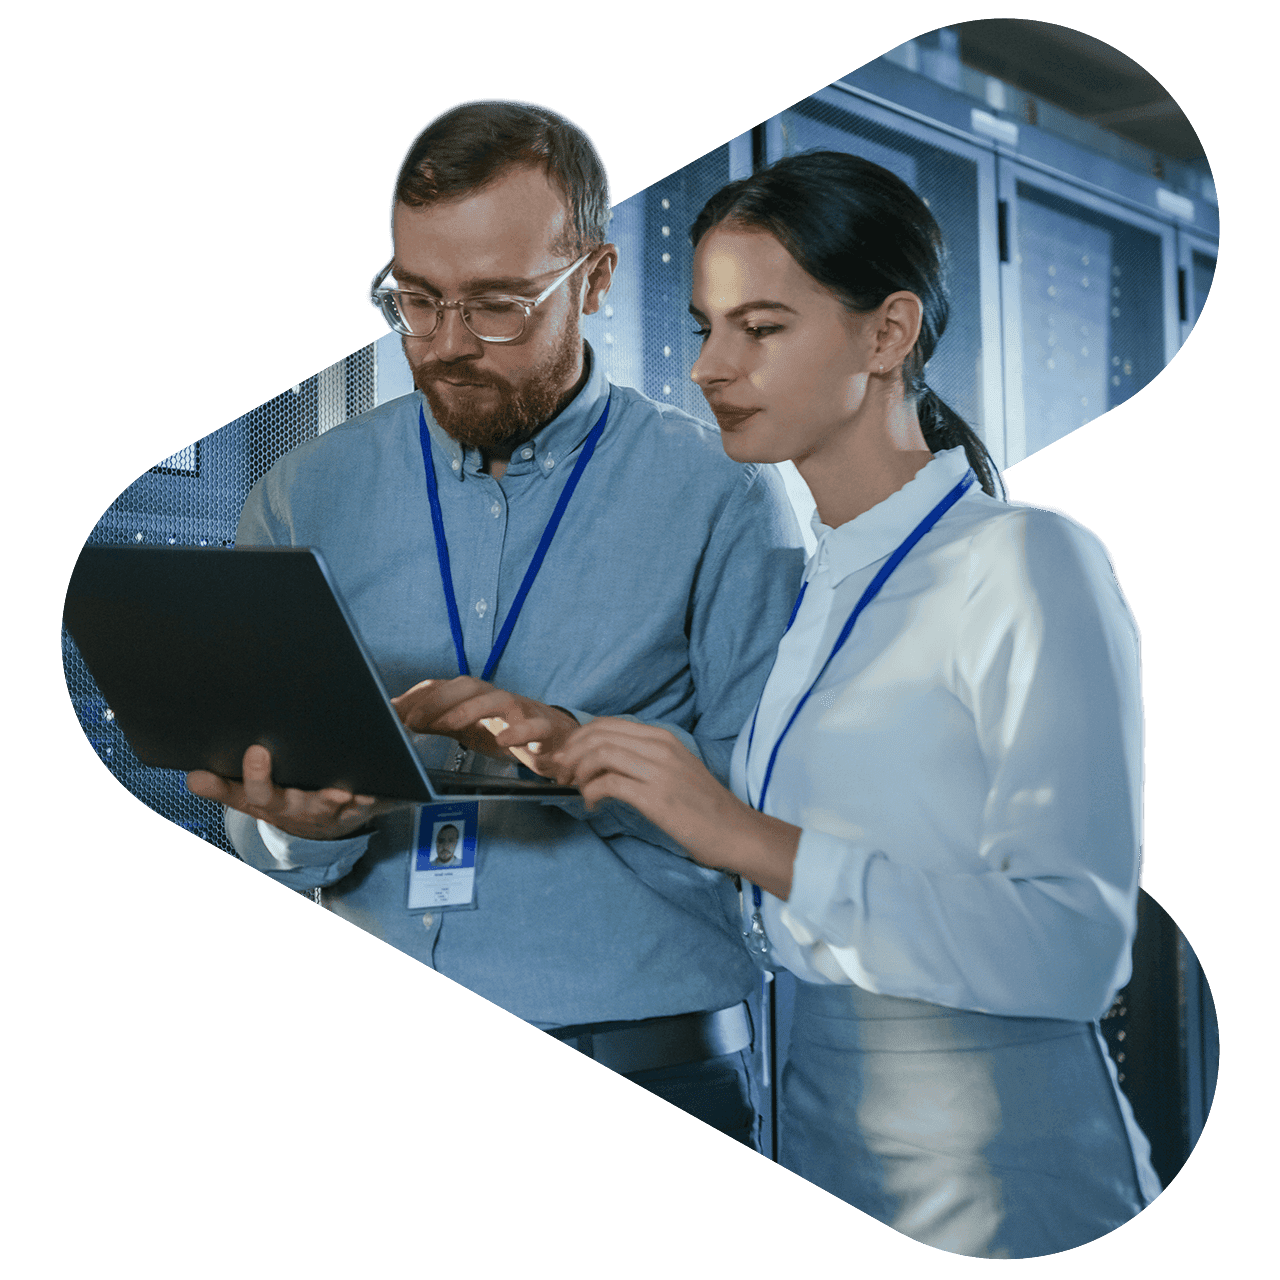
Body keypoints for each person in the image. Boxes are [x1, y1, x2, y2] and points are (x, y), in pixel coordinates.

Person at [543, 151, 1162, 1257]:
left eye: (761, 328)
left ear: (886, 336)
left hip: (991, 1162)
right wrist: (586, 754)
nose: (706, 368)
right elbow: (829, 840)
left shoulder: (1024, 562)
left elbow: (1074, 945)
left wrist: (741, 833)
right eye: (703, 326)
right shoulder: (818, 582)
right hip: (808, 1113)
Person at [185, 100, 804, 1148]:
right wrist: (289, 822)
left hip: (641, 1064)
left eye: (497, 306)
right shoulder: (301, 496)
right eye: (416, 300)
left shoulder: (724, 497)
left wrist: (579, 753)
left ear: (596, 280)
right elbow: (262, 823)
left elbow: (784, 811)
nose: (446, 346)